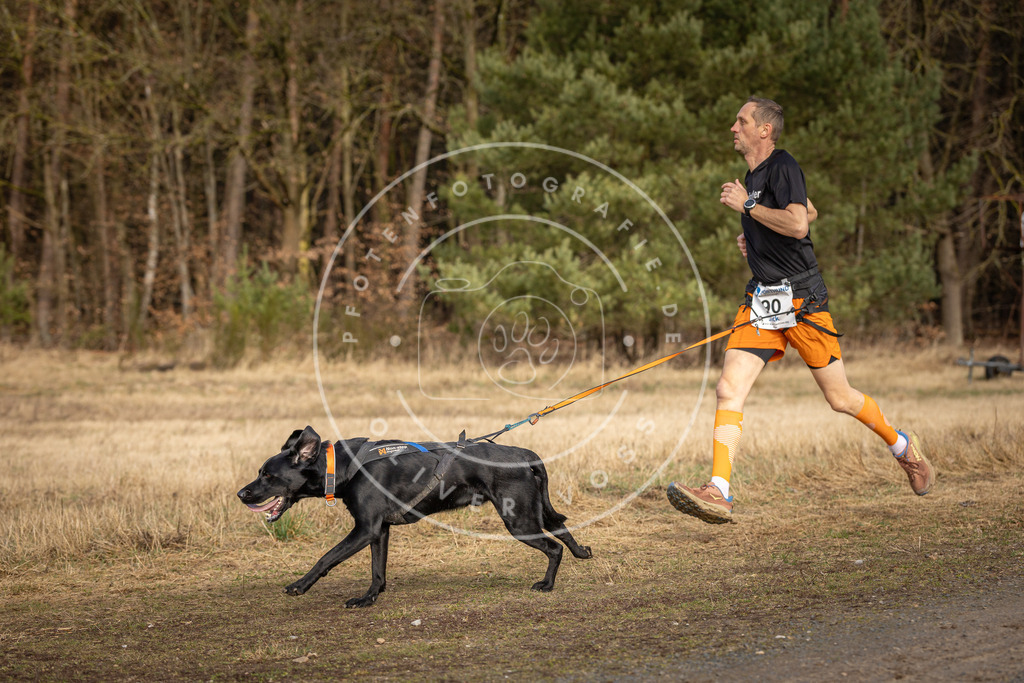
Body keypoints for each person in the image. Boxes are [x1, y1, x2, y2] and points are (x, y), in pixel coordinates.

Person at [667, 96, 934, 524]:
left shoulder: (782, 164)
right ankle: (719, 490)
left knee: (840, 398)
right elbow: (809, 209)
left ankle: (903, 447)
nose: (733, 128)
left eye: (741, 121)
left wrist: (749, 208)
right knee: (728, 389)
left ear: (764, 130)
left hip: (802, 298)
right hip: (762, 298)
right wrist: (757, 238)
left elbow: (798, 222)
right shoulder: (754, 175)